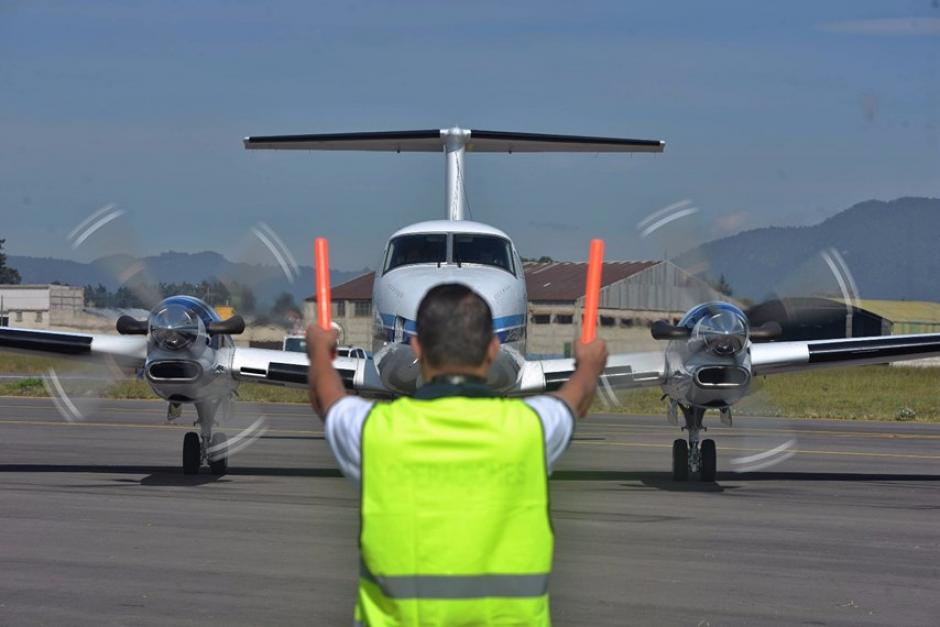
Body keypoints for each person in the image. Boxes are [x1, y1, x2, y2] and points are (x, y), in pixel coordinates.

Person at [307, 283, 608, 626]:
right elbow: (577, 397)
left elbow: (325, 397)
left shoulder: (373, 431)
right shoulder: (532, 429)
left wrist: (319, 351)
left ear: (417, 346)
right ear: (494, 349)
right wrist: (588, 363)